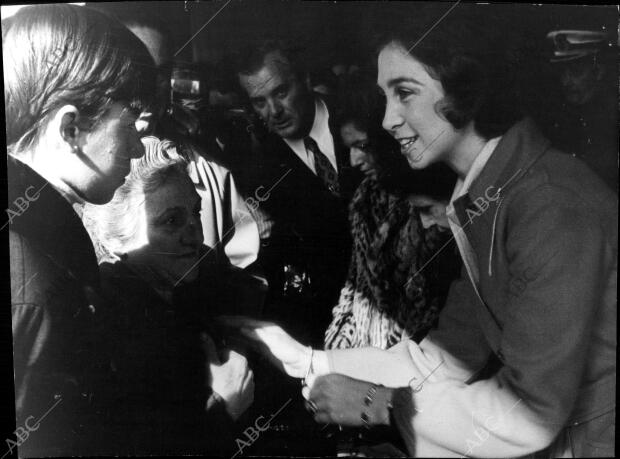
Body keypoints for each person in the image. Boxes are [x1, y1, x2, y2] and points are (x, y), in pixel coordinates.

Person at [220, 6, 616, 458]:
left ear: (465, 90)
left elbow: (529, 413)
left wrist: (381, 405)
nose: (387, 120)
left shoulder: (548, 205)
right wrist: (309, 360)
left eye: (404, 93)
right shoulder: (490, 194)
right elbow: (446, 358)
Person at [4, 4, 155, 456]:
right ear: (70, 127)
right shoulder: (37, 272)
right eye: (130, 121)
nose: (138, 145)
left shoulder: (34, 238)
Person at [81, 136, 254, 455]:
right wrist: (223, 409)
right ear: (120, 239)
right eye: (171, 221)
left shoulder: (206, 277)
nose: (195, 234)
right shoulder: (106, 324)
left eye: (195, 213)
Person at [89, 2, 261, 270]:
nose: (148, 86)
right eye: (136, 69)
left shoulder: (210, 171)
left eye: (161, 73)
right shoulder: (77, 170)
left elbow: (245, 276)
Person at [231, 38, 354, 346]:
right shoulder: (257, 172)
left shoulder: (359, 114)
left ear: (307, 80)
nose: (274, 111)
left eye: (281, 92)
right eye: (259, 102)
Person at [325, 73, 460, 350]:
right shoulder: (366, 200)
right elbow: (354, 293)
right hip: (367, 354)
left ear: (387, 139)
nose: (354, 160)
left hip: (429, 365)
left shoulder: (448, 200)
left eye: (363, 146)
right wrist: (337, 353)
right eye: (348, 148)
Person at [538, 19, 618, 191]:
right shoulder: (562, 116)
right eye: (562, 72)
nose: (565, 81)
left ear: (598, 71)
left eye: (575, 71)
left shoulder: (612, 118)